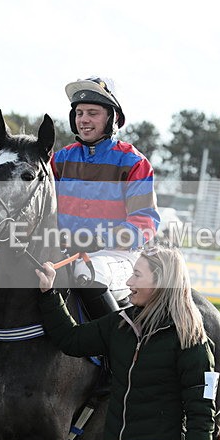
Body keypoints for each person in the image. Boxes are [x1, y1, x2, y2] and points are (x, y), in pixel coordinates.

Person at [35, 245, 216, 440]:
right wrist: (49, 294)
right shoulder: (120, 323)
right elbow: (71, 339)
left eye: (137, 275)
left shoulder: (192, 342)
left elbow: (202, 418)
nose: (129, 282)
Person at [50, 76, 160, 319]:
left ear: (111, 118)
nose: (84, 119)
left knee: (89, 273)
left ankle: (117, 344)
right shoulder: (59, 160)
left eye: (92, 112)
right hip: (65, 251)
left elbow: (145, 222)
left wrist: (99, 239)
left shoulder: (134, 163)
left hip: (116, 255)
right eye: (79, 113)